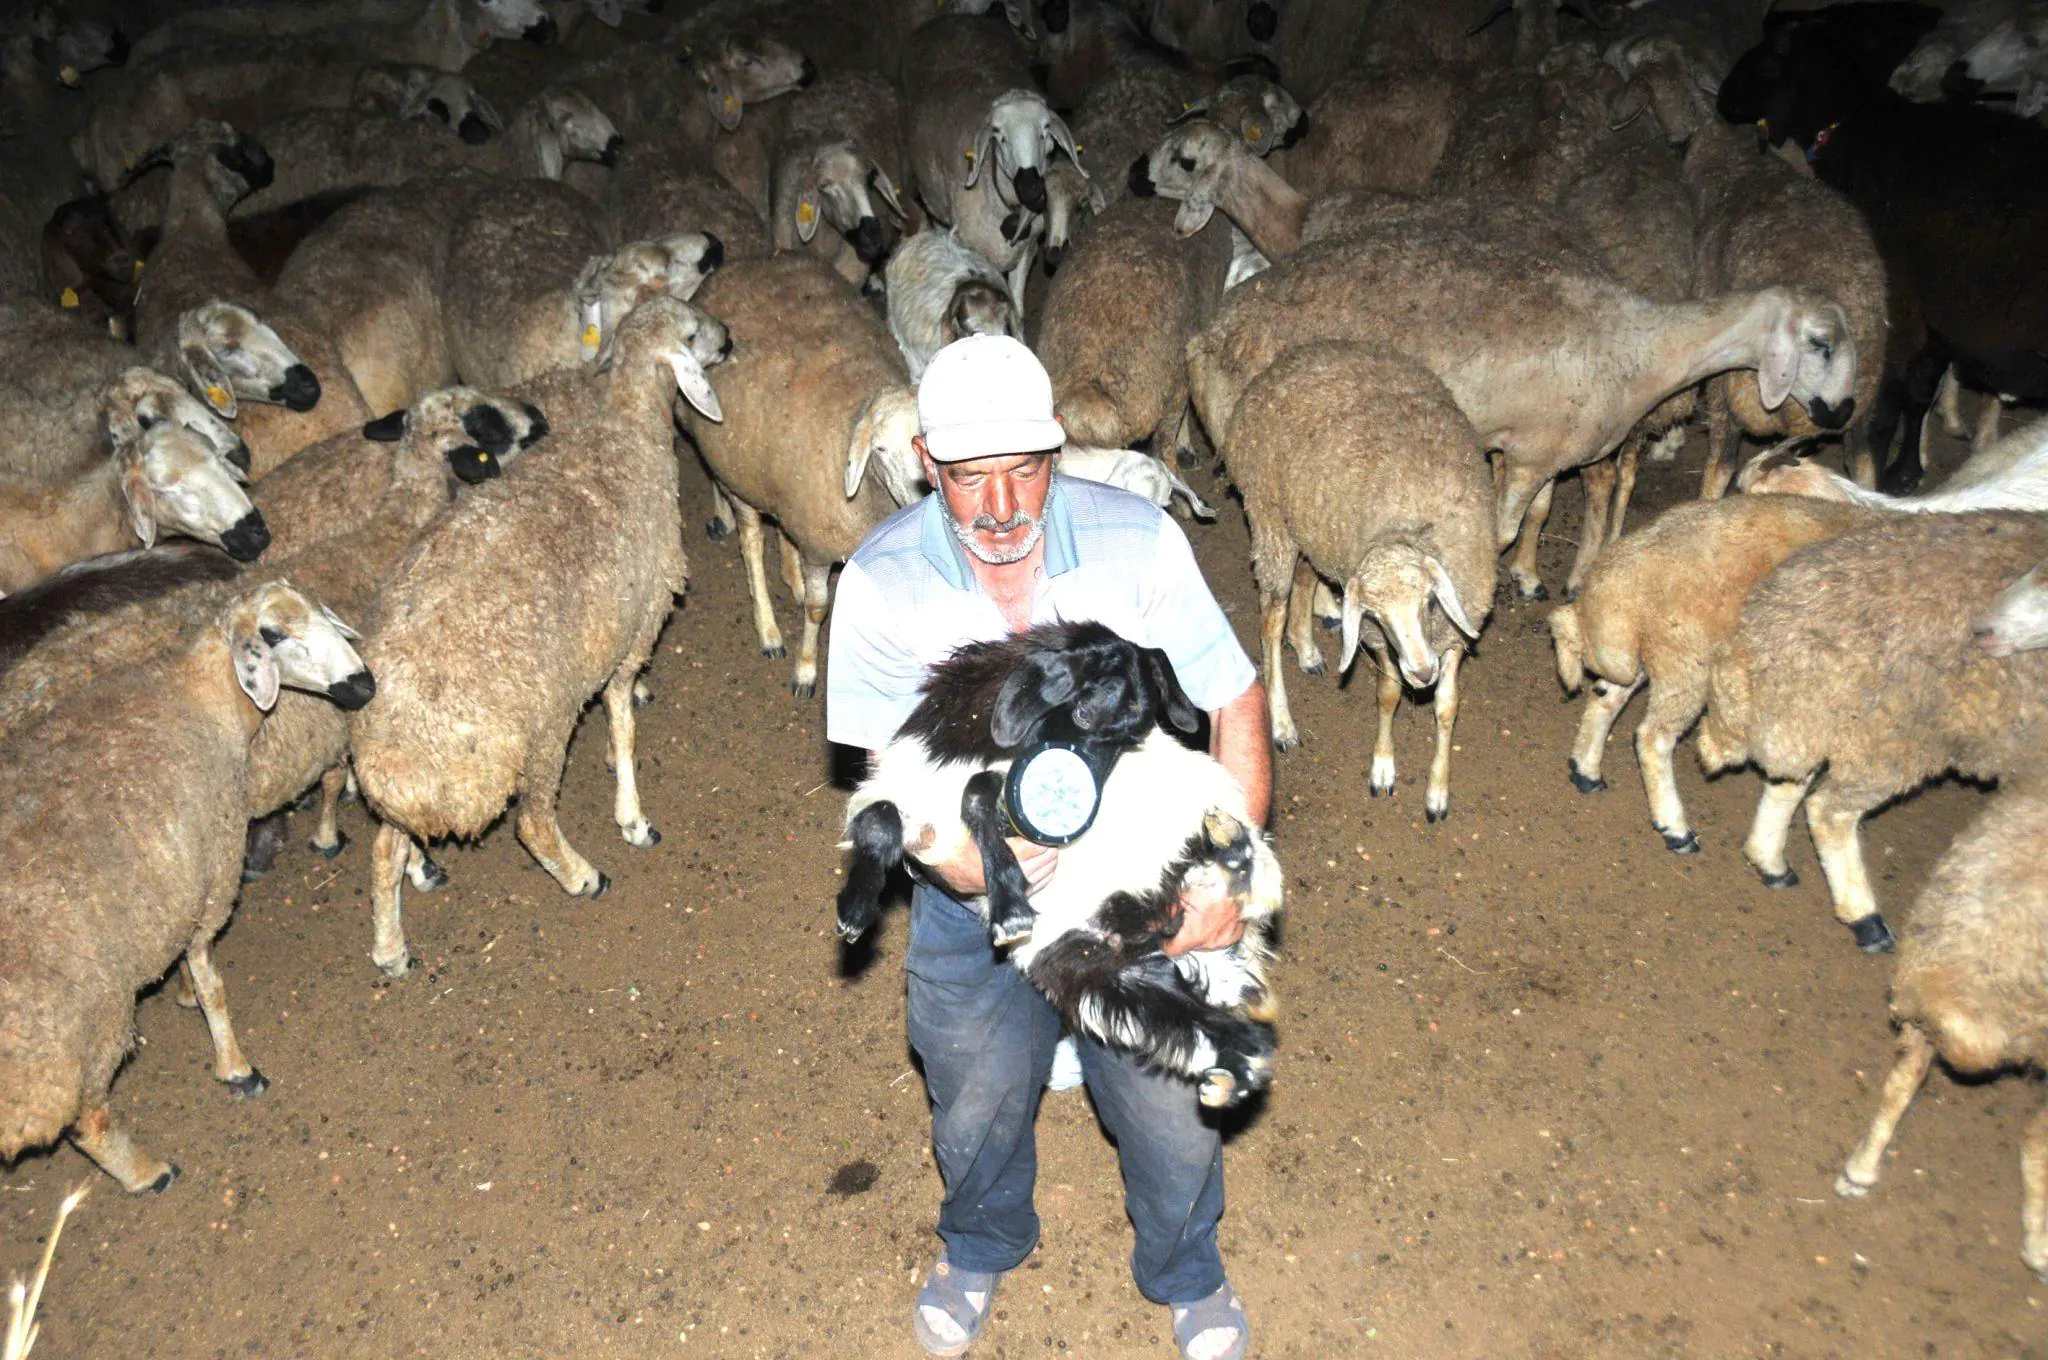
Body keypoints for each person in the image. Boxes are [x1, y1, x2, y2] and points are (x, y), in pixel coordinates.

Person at [826, 335, 1273, 1360]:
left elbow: (1231, 694)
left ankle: (1186, 1270)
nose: (995, 508)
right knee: (971, 1093)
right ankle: (980, 1240)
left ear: (1054, 452)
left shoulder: (1139, 541)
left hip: (1135, 881)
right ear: (926, 463)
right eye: (967, 478)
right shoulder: (880, 582)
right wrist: (964, 867)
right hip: (974, 885)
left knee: (1168, 1108)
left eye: (1019, 473)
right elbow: (888, 770)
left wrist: (1223, 869)